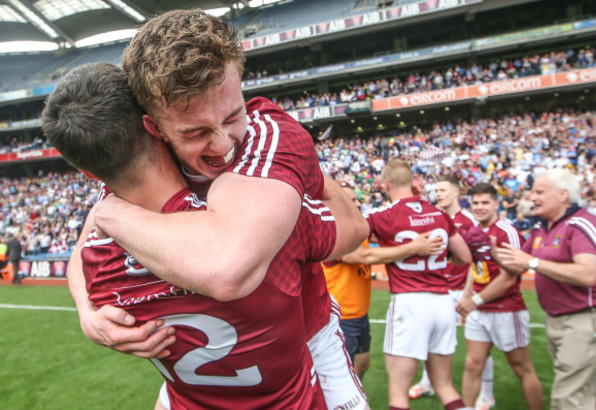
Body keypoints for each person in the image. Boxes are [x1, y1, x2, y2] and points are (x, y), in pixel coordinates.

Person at [66, 10, 369, 410]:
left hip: (307, 342)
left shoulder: (268, 138)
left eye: (232, 115)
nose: (224, 144)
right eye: (195, 132)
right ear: (154, 129)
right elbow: (83, 248)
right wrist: (87, 310)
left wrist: (112, 215)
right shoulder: (144, 164)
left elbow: (229, 269)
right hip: (211, 376)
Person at [496, 168, 596, 410]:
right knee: (589, 394)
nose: (532, 197)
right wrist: (490, 252)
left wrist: (531, 262)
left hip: (585, 319)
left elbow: (587, 274)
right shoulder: (543, 228)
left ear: (563, 195)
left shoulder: (583, 224)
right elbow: (518, 265)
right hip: (559, 319)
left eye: (539, 192)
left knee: (567, 399)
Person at [364, 160, 472, 410]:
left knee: (398, 395)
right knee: (445, 386)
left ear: (385, 185)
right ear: (413, 183)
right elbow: (464, 257)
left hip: (409, 302)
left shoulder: (382, 216)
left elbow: (353, 246)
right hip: (442, 302)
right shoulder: (440, 214)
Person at [322, 183, 442, 381]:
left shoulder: (358, 229)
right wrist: (414, 247)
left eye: (357, 199)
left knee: (362, 364)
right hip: (341, 316)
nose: (358, 203)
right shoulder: (334, 230)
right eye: (351, 200)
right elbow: (364, 256)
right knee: (343, 374)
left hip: (359, 313)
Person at [409, 174, 497, 410]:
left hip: (462, 290)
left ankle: (486, 395)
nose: (438, 194)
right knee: (430, 339)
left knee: (478, 347)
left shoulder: (468, 219)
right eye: (436, 190)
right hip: (437, 288)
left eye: (443, 190)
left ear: (456, 192)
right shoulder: (431, 217)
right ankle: (427, 382)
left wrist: (469, 293)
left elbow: (475, 259)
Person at [455, 183, 543, 410]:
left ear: (496, 204)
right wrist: (467, 297)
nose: (480, 207)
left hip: (507, 308)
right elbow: (474, 269)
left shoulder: (506, 231)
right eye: (475, 203)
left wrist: (473, 301)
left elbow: (510, 277)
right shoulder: (475, 230)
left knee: (522, 368)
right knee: (473, 364)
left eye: (485, 202)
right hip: (479, 310)